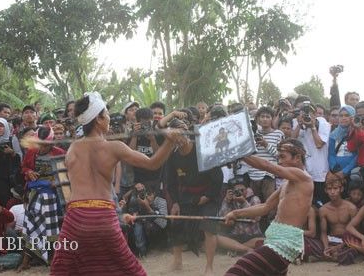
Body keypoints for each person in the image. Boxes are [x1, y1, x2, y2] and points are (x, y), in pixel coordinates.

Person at [50, 92, 178, 276]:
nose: (109, 118)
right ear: (98, 119)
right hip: (103, 218)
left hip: (75, 219)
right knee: (130, 271)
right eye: (106, 114)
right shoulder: (114, 147)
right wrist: (169, 141)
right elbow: (153, 163)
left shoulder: (72, 149)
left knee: (63, 270)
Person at [224, 138, 314, 276]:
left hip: (284, 243)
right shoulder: (287, 182)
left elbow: (267, 166)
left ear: (297, 158)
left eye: (283, 157)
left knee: (237, 271)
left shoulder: (302, 177)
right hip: (276, 241)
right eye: (278, 157)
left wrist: (240, 154)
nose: (280, 161)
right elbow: (265, 207)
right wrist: (236, 213)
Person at [166, 117, 223, 276]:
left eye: (182, 133)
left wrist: (207, 196)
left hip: (208, 193)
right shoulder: (172, 156)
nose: (180, 138)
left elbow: (218, 178)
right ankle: (177, 261)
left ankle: (209, 267)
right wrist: (175, 202)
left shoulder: (203, 150)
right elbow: (170, 181)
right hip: (187, 194)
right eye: (175, 135)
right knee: (175, 221)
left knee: (208, 226)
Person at [19, 126, 66, 269]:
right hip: (34, 192)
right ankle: (26, 262)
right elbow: (23, 168)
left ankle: (52, 259)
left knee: (52, 228)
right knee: (31, 225)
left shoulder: (60, 153)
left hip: (53, 196)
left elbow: (66, 175)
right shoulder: (31, 152)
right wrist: (29, 172)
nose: (42, 147)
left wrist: (56, 181)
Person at [308, 174, 358, 265]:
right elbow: (323, 232)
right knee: (310, 244)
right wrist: (326, 247)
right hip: (331, 240)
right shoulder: (323, 210)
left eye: (335, 189)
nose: (332, 192)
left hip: (347, 242)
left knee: (352, 250)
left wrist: (340, 246)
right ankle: (331, 255)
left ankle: (327, 256)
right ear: (326, 191)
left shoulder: (351, 208)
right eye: (329, 189)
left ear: (341, 189)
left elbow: (355, 232)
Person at [293, 102, 331, 205]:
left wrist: (313, 126)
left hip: (319, 172)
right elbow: (291, 140)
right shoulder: (297, 122)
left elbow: (319, 144)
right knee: (305, 204)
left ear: (315, 114)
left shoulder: (323, 123)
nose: (307, 115)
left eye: (310, 113)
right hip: (304, 171)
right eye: (305, 113)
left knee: (320, 204)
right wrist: (300, 125)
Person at [218, 177, 263, 254]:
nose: (240, 192)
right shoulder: (229, 200)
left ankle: (236, 248)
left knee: (263, 241)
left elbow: (256, 217)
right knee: (217, 238)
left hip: (252, 236)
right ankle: (245, 249)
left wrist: (244, 202)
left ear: (247, 190)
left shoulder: (254, 199)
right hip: (235, 236)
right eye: (236, 191)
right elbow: (222, 220)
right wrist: (226, 201)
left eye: (242, 190)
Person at [0, 118, 23, 207]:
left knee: (16, 200)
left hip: (13, 176)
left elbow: (20, 158)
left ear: (6, 127)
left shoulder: (12, 139)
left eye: (1, 126)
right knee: (3, 201)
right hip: (0, 177)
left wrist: (12, 152)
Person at [328, 105, 358, 180]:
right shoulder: (333, 134)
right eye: (341, 115)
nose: (343, 118)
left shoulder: (358, 133)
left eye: (347, 115)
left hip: (352, 173)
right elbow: (331, 154)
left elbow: (358, 155)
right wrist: (335, 168)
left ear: (353, 117)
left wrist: (345, 171)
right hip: (336, 172)